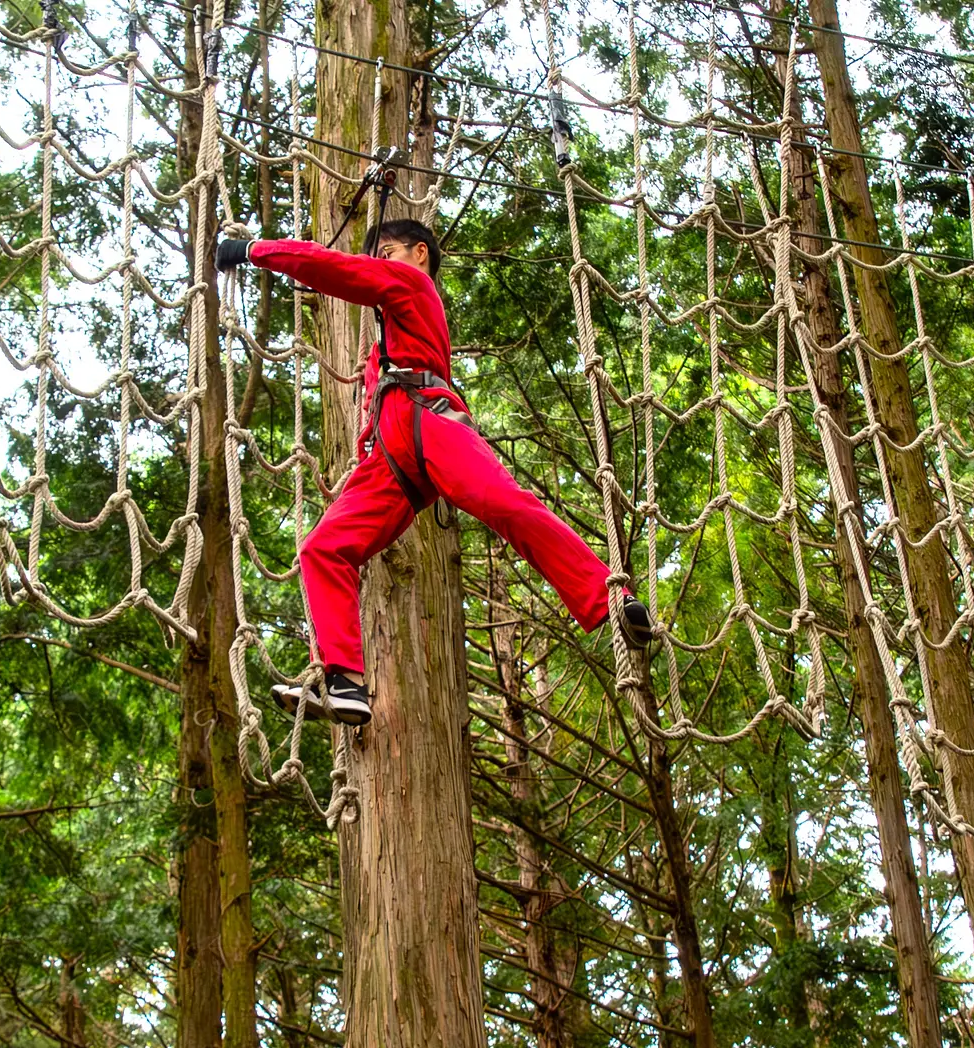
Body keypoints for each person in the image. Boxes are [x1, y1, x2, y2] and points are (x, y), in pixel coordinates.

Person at [217, 219, 653, 724]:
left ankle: (609, 595)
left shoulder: (411, 283)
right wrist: (368, 454)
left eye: (388, 251)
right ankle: (345, 680)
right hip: (389, 454)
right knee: (323, 548)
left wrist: (254, 250)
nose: (381, 261)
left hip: (431, 420)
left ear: (419, 253)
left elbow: (334, 267)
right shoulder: (384, 345)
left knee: (504, 503)